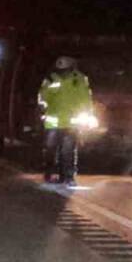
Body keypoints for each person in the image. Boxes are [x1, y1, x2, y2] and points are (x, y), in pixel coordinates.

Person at [38, 56, 94, 186]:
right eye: (60, 70)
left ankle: (68, 177)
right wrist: (42, 107)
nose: (63, 73)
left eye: (65, 70)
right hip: (53, 121)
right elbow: (43, 96)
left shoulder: (79, 79)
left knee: (67, 150)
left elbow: (86, 98)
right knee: (50, 149)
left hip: (71, 122)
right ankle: (49, 173)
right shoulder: (50, 79)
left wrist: (89, 114)